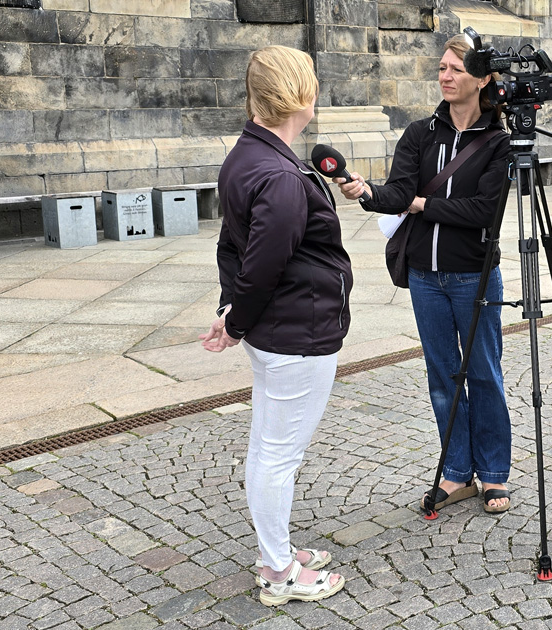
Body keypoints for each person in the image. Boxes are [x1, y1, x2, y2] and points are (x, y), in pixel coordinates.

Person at [334, 35, 514, 514]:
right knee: (442, 376)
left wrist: (420, 204)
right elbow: (398, 190)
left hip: (473, 275)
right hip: (424, 276)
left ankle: (494, 474)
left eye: (456, 68)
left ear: (482, 78)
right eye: (441, 68)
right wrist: (368, 192)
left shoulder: (498, 142)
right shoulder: (420, 133)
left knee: (484, 373)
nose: (446, 76)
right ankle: (457, 473)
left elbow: (483, 211)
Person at [200, 45, 350, 606]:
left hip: (280, 331)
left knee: (270, 446)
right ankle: (279, 569)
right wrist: (235, 320)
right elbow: (260, 263)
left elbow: (231, 247)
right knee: (277, 453)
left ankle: (277, 551)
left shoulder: (247, 155)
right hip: (297, 332)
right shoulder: (279, 173)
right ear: (302, 97)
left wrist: (229, 312)